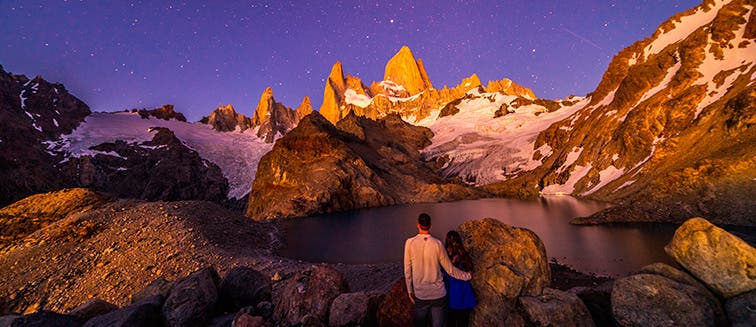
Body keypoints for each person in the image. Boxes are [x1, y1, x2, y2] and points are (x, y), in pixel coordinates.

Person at [404, 213, 472, 327]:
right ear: (430, 225)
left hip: (421, 294)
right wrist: (467, 276)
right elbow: (450, 269)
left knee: (419, 324)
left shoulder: (409, 243)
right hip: (438, 295)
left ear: (418, 225)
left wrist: (410, 290)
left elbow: (407, 270)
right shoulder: (437, 244)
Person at [444, 230, 476, 327]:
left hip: (452, 295)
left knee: (451, 322)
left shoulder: (445, 258)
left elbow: (446, 274)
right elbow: (470, 271)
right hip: (465, 295)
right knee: (463, 322)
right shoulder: (464, 256)